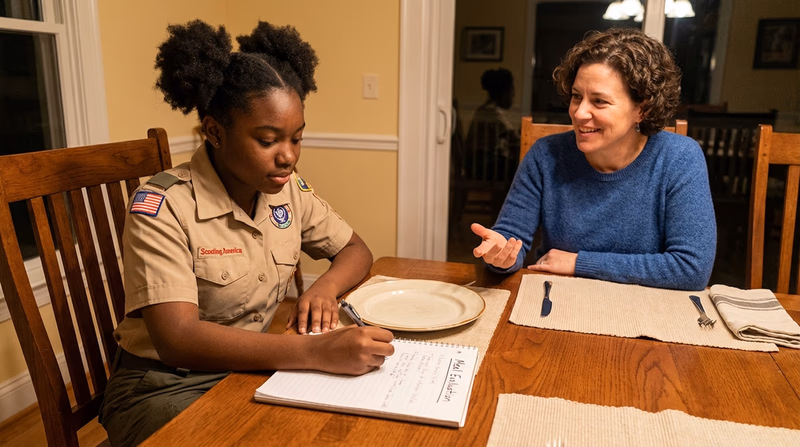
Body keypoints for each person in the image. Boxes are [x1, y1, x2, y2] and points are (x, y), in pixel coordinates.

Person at [98, 20, 394, 446]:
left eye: (296, 138)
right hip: (162, 387)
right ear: (215, 132)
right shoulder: (163, 206)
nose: (288, 156)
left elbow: (355, 249)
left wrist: (324, 289)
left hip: (246, 369)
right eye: (268, 139)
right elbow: (178, 340)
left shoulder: (285, 189)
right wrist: (315, 353)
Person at [471, 28, 716, 291]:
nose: (579, 113)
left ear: (642, 109)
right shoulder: (545, 155)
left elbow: (692, 268)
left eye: (599, 101)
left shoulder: (680, 158)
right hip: (559, 301)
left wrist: (580, 263)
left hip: (645, 310)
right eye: (577, 96)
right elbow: (510, 240)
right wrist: (500, 255)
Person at [463, 68, 520, 185]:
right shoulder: (491, 113)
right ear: (502, 92)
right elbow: (513, 137)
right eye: (511, 90)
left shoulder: (488, 109)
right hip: (479, 166)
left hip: (477, 163)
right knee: (520, 167)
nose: (513, 94)